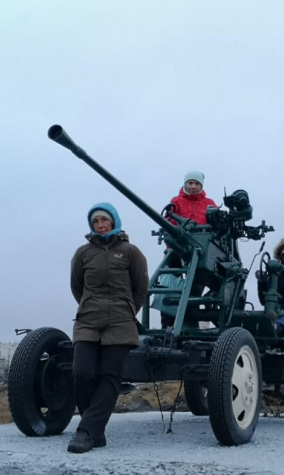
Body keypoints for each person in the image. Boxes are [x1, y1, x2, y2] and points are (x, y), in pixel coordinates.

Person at [67, 202, 149, 454]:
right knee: (81, 373)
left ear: (114, 222)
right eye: (95, 222)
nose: (100, 225)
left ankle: (87, 431)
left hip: (120, 320)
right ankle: (96, 429)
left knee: (110, 377)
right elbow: (77, 286)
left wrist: (126, 309)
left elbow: (140, 287)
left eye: (104, 220)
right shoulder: (83, 253)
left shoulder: (130, 252)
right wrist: (90, 304)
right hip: (88, 319)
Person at [159, 171, 218, 329]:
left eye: (196, 184)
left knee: (194, 290)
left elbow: (217, 226)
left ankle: (190, 324)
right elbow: (168, 222)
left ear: (201, 186)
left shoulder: (209, 203)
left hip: (200, 253)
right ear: (185, 184)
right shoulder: (176, 201)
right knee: (168, 288)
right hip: (176, 250)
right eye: (190, 183)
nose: (193, 186)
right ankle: (168, 325)